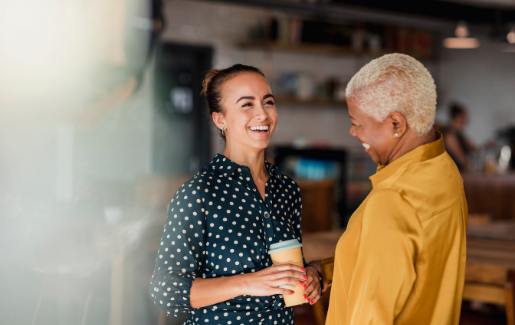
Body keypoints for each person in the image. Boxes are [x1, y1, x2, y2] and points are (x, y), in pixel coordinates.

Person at [149, 64, 322, 325]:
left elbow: (288, 263)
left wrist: (312, 275)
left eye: (268, 102)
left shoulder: (287, 190)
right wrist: (247, 283)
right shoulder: (199, 192)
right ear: (220, 119)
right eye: (247, 104)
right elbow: (166, 290)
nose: (262, 114)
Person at [311, 54, 467, 325]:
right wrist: (328, 271)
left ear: (396, 124)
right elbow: (405, 267)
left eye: (357, 122)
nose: (353, 132)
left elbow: (371, 316)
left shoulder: (393, 199)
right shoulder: (444, 171)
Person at [445, 102, 477, 171]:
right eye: (464, 117)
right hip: (454, 174)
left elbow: (475, 148)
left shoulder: (460, 134)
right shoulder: (450, 136)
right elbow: (463, 160)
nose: (466, 120)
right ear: (457, 117)